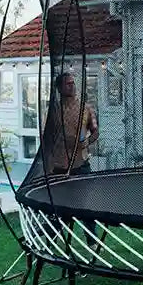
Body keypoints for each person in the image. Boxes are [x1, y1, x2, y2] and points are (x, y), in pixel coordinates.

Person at [43, 71, 99, 245]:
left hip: (81, 163)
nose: (72, 86)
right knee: (59, 205)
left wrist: (86, 142)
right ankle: (50, 240)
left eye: (73, 83)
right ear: (59, 88)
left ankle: (92, 241)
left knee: (86, 203)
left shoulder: (86, 108)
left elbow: (95, 132)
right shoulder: (54, 111)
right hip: (60, 164)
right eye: (68, 84)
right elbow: (47, 137)